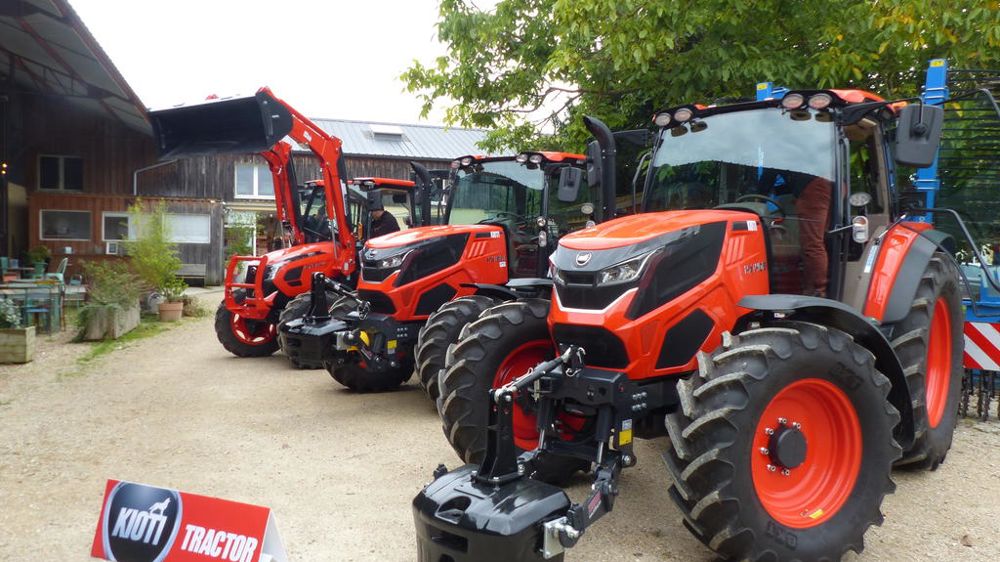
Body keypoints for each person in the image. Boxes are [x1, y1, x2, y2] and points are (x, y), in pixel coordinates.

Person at [796, 175, 832, 297]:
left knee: (812, 244)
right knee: (820, 239)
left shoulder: (779, 159)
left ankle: (817, 292)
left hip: (815, 185)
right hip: (827, 181)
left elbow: (770, 174)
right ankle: (816, 287)